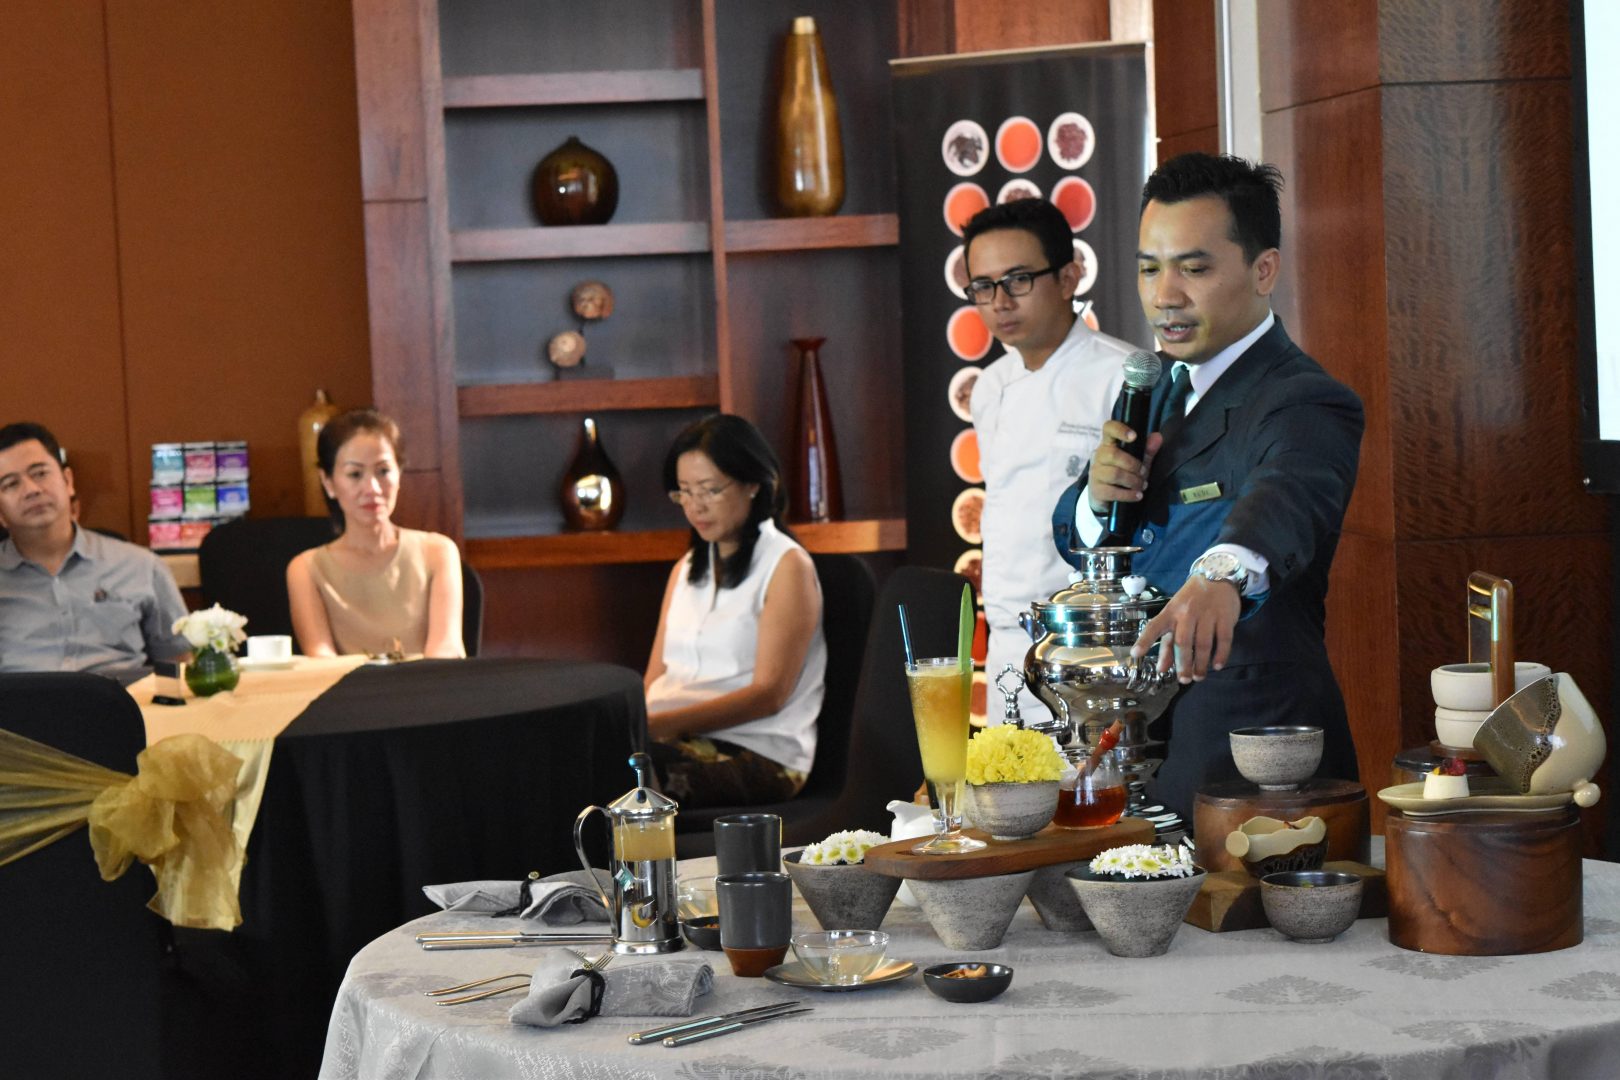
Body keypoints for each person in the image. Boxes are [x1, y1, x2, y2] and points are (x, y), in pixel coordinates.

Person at [1053, 153, 1364, 821]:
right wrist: (1097, 500)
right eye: (1149, 268)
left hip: (1250, 755)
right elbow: (1079, 536)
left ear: (1263, 270)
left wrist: (1220, 574)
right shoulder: (1158, 386)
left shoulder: (1303, 398)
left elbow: (1285, 495)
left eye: (1193, 269)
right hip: (1138, 740)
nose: (1165, 295)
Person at [963, 198, 1136, 718]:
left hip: (1094, 645)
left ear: (1068, 277)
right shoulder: (990, 387)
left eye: (1018, 280)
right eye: (983, 286)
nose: (999, 302)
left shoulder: (1120, 376)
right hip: (1007, 644)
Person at [644, 414, 826, 807]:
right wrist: (636, 723)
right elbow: (655, 678)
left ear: (753, 484)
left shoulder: (786, 565)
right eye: (684, 493)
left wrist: (657, 724)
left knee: (623, 774)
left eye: (710, 490)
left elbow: (768, 695)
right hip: (672, 736)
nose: (695, 506)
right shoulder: (685, 569)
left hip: (759, 751)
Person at [0, 422, 190, 680]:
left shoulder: (142, 566)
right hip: (21, 706)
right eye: (11, 484)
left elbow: (179, 661)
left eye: (40, 473)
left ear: (68, 481)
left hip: (124, 702)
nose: (32, 490)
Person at [287, 409, 465, 658]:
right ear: (328, 482)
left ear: (399, 473)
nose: (372, 488)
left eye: (383, 471)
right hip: (346, 685)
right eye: (355, 474)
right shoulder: (306, 569)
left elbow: (446, 648)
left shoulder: (438, 552)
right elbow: (320, 657)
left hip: (429, 682)